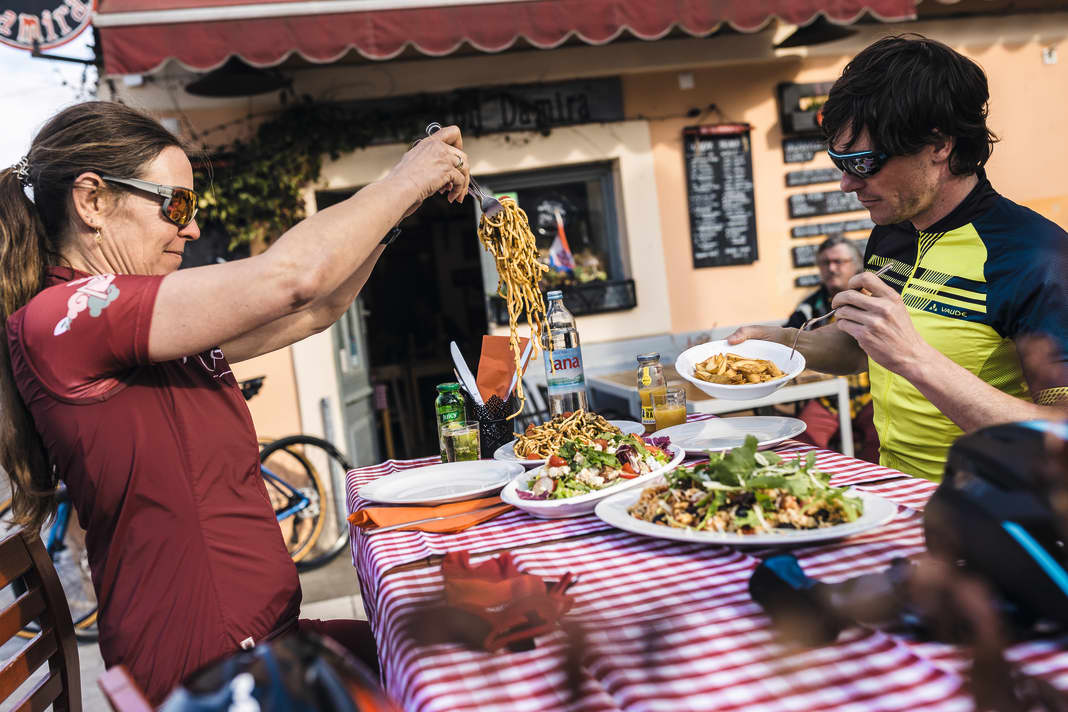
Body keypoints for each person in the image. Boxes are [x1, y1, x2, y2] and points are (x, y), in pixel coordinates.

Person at [0, 101, 471, 703]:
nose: (191, 228)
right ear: (92, 201)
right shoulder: (71, 315)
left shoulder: (138, 320)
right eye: (177, 205)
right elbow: (291, 277)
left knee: (456, 644)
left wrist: (401, 209)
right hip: (210, 670)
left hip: (265, 641)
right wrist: (408, 177)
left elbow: (315, 309)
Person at [731, 35, 1068, 481]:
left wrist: (914, 356)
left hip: (994, 522)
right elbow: (860, 350)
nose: (847, 185)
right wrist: (775, 342)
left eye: (865, 163)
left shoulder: (1037, 258)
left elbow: (1060, 440)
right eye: (840, 162)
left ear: (939, 145)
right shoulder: (892, 231)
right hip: (896, 499)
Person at [785, 236, 879, 463]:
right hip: (828, 397)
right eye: (825, 263)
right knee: (800, 442)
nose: (831, 268)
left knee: (884, 438)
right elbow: (789, 340)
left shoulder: (873, 299)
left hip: (872, 395)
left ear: (856, 264)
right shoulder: (809, 306)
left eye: (839, 261)